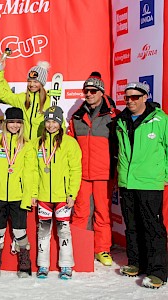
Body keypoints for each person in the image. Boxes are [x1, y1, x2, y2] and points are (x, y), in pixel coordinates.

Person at [116, 82, 168, 289]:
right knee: (132, 225)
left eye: (135, 97)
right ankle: (136, 262)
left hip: (149, 181)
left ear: (145, 97)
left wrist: (165, 174)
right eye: (127, 97)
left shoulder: (160, 119)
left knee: (153, 227)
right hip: (127, 181)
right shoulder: (121, 120)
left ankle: (158, 271)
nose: (130, 101)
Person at [68, 72, 119, 266]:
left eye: (93, 91)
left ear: (101, 92)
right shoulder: (77, 116)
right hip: (81, 173)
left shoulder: (113, 116)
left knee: (102, 212)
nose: (89, 94)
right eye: (86, 91)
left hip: (104, 173)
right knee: (81, 211)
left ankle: (102, 248)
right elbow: (70, 146)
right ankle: (81, 247)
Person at [0, 107, 36, 278]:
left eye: (18, 122)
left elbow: (29, 174)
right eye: (11, 122)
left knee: (20, 231)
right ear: (5, 123)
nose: (14, 125)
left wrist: (27, 198)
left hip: (18, 196)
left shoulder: (27, 145)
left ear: (22, 124)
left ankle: (25, 264)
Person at [33, 106, 82, 279]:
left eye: (54, 121)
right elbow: (33, 171)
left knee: (64, 231)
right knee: (43, 232)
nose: (51, 125)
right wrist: (33, 193)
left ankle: (67, 265)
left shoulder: (70, 143)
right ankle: (43, 265)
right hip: (43, 196)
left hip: (62, 196)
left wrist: (71, 193)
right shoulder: (37, 142)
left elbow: (75, 170)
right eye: (48, 121)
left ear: (60, 123)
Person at [0, 60, 51, 141]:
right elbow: (2, 95)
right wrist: (0, 72)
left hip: (41, 143)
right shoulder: (22, 98)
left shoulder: (49, 100)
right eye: (29, 81)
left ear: (42, 83)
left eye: (35, 82)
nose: (32, 85)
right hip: (24, 143)